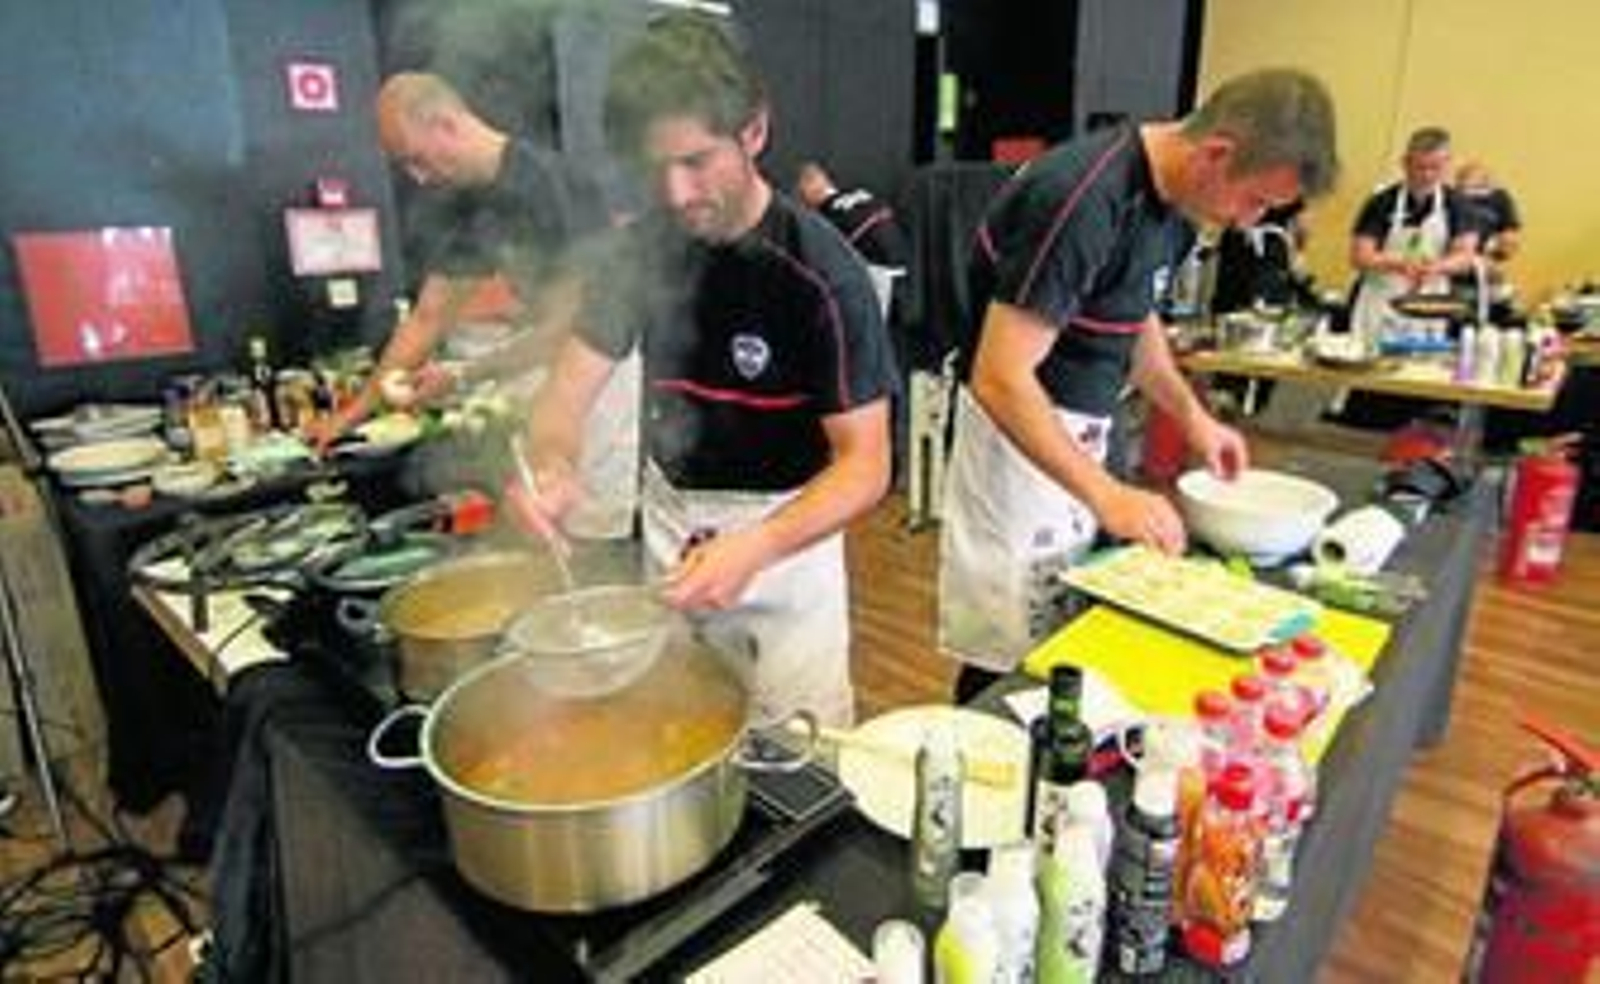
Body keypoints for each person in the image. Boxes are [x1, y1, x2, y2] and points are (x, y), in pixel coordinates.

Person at [508, 12, 896, 727]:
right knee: (678, 731)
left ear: (754, 131)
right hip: (673, 525)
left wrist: (756, 546)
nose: (676, 194)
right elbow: (564, 395)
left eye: (695, 161)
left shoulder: (818, 273)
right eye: (654, 169)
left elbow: (866, 466)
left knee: (795, 757)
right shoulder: (639, 251)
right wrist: (551, 464)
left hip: (785, 542)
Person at [938, 68, 1339, 700]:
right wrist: (1108, 495)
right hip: (1016, 441)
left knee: (1068, 633)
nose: (1247, 222)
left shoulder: (1177, 208)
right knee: (1010, 652)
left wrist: (1191, 415)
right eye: (1257, 201)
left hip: (1085, 431)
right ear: (1218, 153)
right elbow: (1000, 377)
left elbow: (1134, 315)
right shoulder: (1079, 198)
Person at [317, 71, 638, 537]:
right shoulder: (465, 202)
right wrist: (353, 413)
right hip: (544, 379)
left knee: (592, 531)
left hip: (598, 382)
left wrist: (465, 373)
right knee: (545, 525)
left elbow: (569, 331)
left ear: (446, 124)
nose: (418, 177)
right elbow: (427, 318)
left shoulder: (551, 184)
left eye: (417, 160)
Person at [1347, 126, 1480, 345]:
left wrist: (1435, 267)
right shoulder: (1381, 202)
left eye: (1435, 168)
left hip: (1430, 302)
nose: (1427, 175)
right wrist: (1398, 263)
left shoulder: (1458, 205)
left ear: (1447, 165)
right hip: (1381, 301)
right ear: (1405, 162)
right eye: (1420, 167)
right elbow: (1359, 256)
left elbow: (1464, 257)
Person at [794, 160, 910, 271]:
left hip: (878, 270)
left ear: (811, 188)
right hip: (905, 258)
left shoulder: (824, 218)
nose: (803, 200)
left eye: (802, 193)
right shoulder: (860, 191)